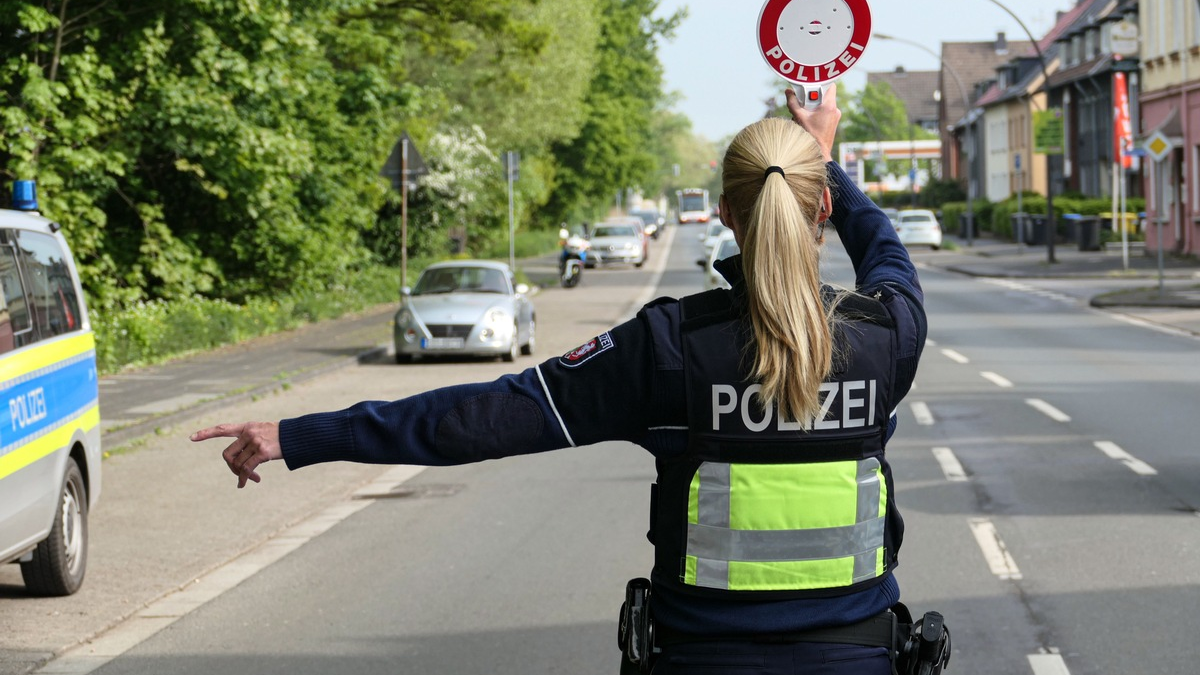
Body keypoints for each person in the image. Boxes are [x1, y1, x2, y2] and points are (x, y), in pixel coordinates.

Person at [192, 85, 926, 674]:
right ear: (823, 207)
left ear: (727, 213)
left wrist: (300, 435)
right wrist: (823, 159)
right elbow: (887, 255)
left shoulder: (665, 346)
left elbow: (479, 419)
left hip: (701, 658)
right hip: (857, 657)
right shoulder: (885, 336)